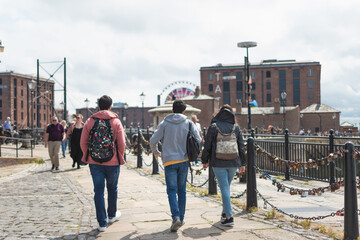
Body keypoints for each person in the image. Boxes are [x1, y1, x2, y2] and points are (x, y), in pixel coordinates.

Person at [150, 100, 201, 232]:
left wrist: (156, 153)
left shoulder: (165, 123)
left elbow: (153, 140)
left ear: (172, 110)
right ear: (184, 111)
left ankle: (175, 217)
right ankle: (181, 218)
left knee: (171, 190)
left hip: (169, 161)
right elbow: (199, 140)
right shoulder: (189, 123)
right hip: (184, 160)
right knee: (182, 190)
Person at [80, 95, 126, 232]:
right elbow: (122, 143)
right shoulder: (116, 122)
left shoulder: (90, 121)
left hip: (95, 162)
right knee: (112, 188)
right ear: (110, 106)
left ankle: (102, 223)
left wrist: (88, 156)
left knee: (98, 191)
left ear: (98, 106)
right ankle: (112, 215)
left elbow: (83, 142)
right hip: (113, 162)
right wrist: (120, 156)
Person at [201, 105, 246, 226]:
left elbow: (207, 146)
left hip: (218, 162)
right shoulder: (235, 128)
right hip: (233, 162)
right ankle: (225, 214)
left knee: (225, 189)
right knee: (226, 188)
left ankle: (229, 217)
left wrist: (204, 160)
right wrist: (243, 163)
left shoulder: (213, 127)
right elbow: (241, 146)